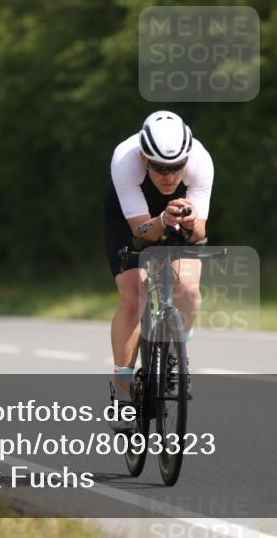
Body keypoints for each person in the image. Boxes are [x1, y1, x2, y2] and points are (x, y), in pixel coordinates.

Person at [102, 111, 213, 426]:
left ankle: (176, 361)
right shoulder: (126, 160)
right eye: (161, 168)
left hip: (175, 212)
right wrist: (163, 220)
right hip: (131, 219)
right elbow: (142, 232)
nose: (169, 176)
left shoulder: (200, 161)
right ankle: (123, 391)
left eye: (176, 168)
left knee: (189, 290)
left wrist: (192, 224)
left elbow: (200, 233)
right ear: (144, 158)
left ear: (186, 159)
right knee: (134, 293)